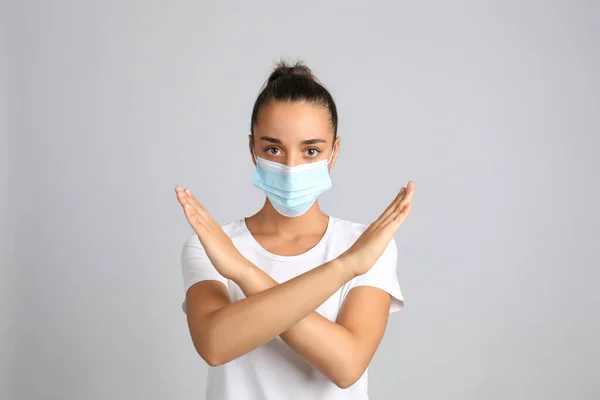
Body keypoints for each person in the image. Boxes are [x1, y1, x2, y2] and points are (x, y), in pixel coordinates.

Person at [174, 60, 415, 400]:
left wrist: (242, 271)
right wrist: (345, 268)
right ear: (252, 149)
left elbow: (346, 365)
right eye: (273, 148)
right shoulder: (211, 246)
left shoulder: (366, 247)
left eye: (311, 150)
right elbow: (215, 345)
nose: (290, 167)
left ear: (334, 152)